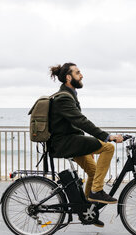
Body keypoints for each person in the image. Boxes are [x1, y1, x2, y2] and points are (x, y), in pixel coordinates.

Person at [48, 62, 123, 226]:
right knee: (108, 147)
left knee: (94, 171)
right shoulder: (64, 98)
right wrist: (107, 136)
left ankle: (87, 212)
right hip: (66, 143)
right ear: (69, 77)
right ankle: (96, 191)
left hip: (72, 141)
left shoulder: (69, 95)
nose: (81, 75)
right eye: (78, 73)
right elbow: (81, 121)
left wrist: (87, 145)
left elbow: (74, 125)